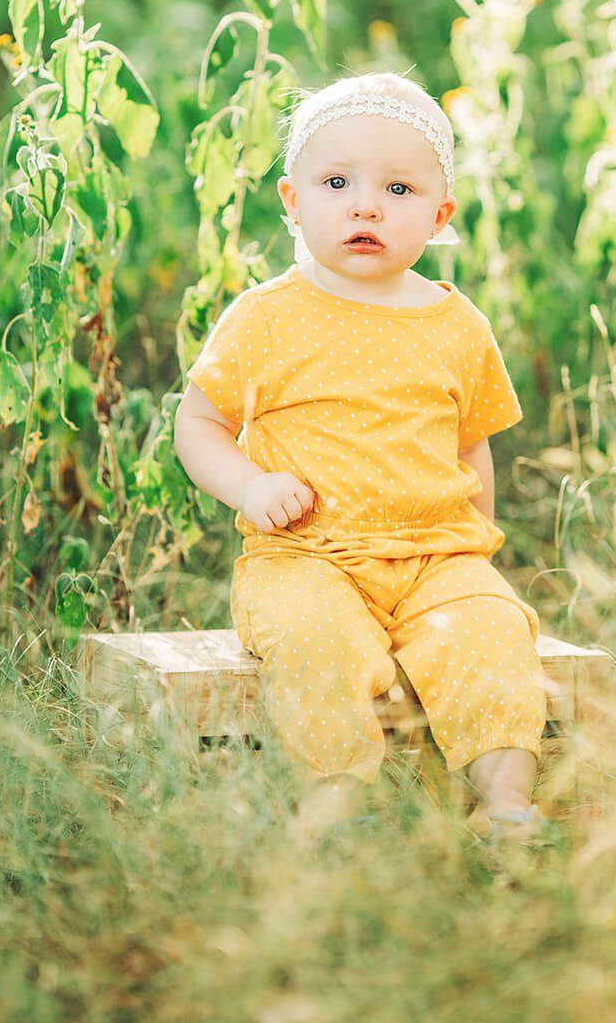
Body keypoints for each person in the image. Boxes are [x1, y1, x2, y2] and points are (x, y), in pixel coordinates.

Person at [173, 70, 551, 848]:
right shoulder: (266, 316)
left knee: (491, 633)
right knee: (316, 639)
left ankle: (506, 802)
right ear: (292, 200)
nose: (365, 205)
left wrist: (475, 551)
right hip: (306, 556)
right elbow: (198, 422)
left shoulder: (456, 322)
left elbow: (470, 441)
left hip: (433, 558)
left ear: (440, 214)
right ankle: (341, 796)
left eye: (399, 188)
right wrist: (250, 484)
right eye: (337, 181)